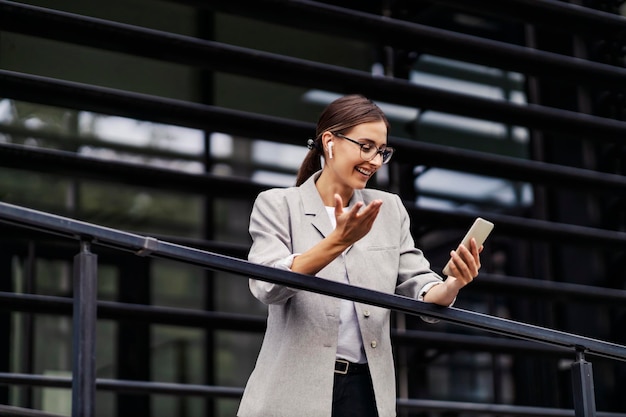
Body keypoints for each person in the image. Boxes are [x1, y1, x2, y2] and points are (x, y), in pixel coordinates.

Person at [237, 94, 483, 417]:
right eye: (366, 146)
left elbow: (421, 285)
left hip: (365, 392)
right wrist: (337, 242)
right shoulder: (278, 205)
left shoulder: (388, 209)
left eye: (382, 151)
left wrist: (452, 283)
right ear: (330, 142)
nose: (376, 161)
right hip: (294, 389)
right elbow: (267, 285)